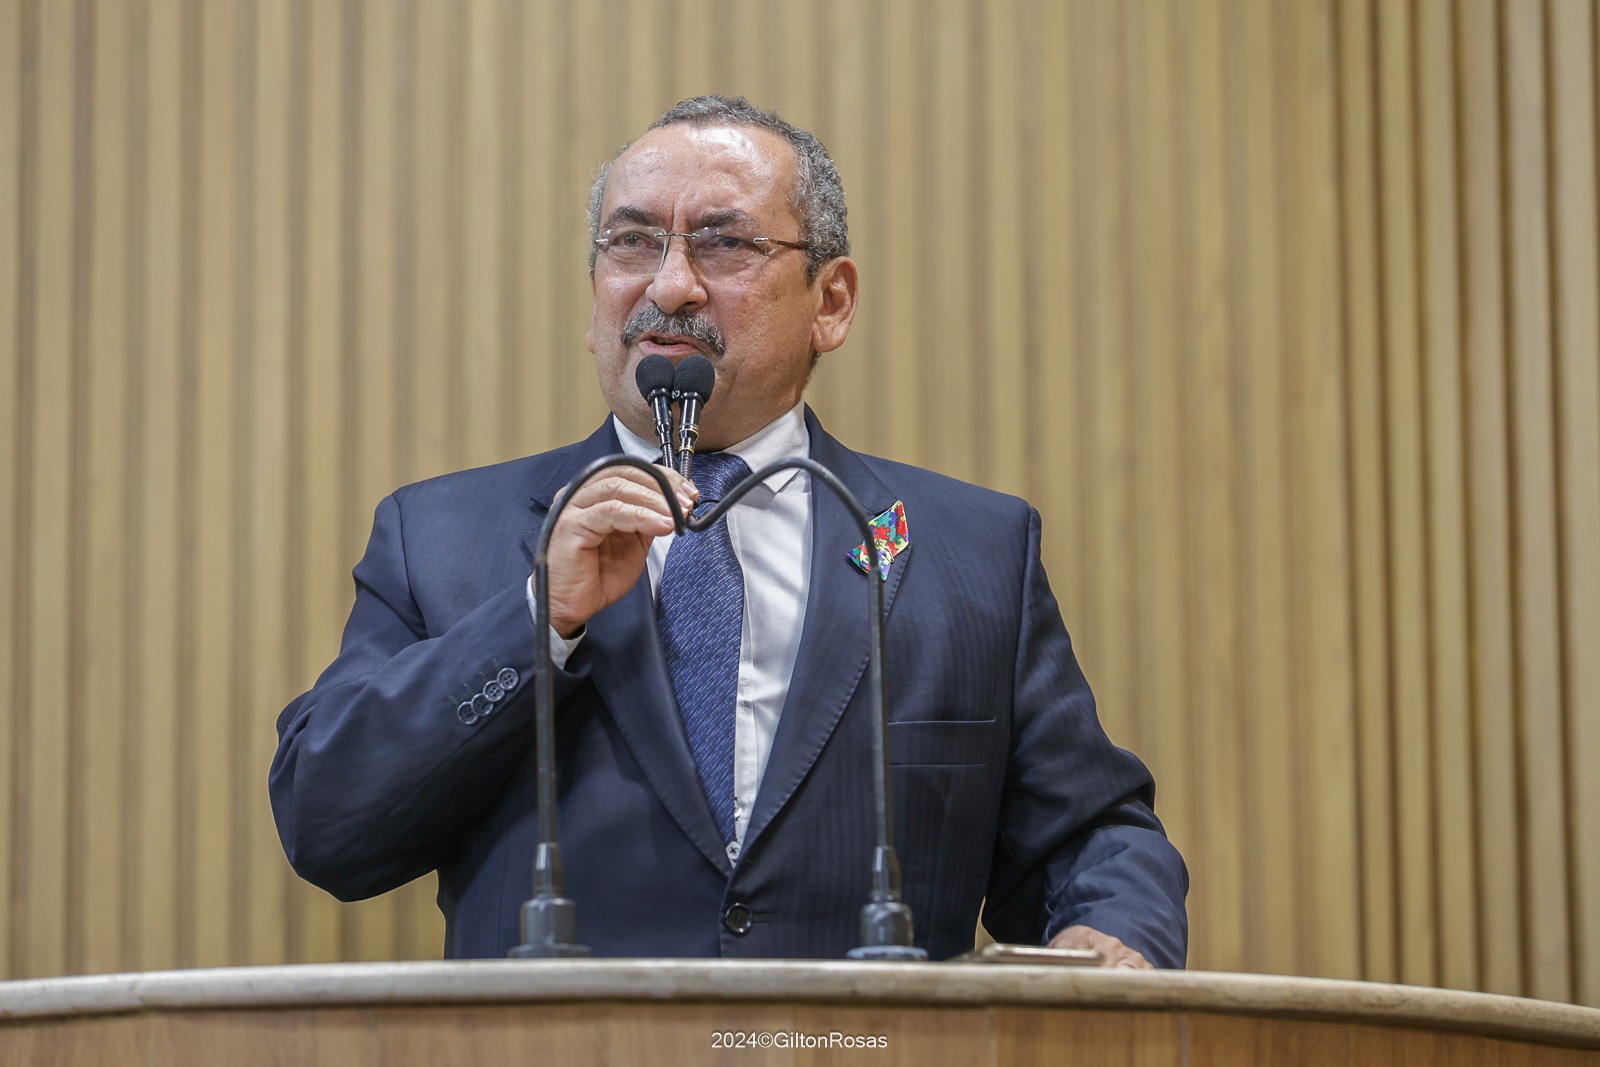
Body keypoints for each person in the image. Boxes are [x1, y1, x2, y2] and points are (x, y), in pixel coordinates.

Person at [269, 96, 1188, 967]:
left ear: (830, 300)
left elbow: (1090, 835)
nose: (668, 285)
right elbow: (329, 821)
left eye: (724, 245)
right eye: (631, 242)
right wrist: (536, 620)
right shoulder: (440, 538)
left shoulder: (972, 550)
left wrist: (1112, 933)